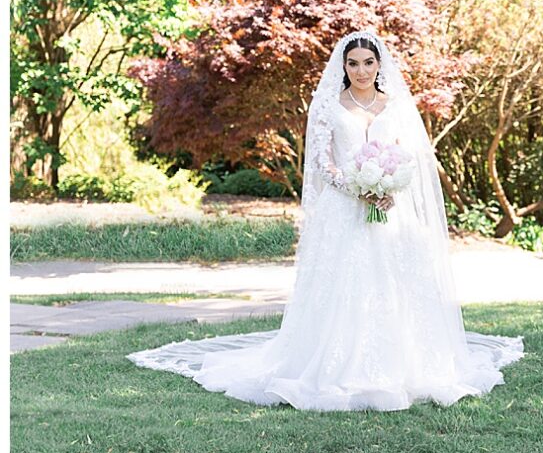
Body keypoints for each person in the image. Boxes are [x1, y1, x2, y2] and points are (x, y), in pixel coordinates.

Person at [129, 31, 523, 411]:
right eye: (353, 63)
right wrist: (356, 187)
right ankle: (335, 364)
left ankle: (405, 364)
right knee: (344, 284)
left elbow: (408, 157)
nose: (361, 70)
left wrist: (390, 188)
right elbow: (321, 162)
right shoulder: (329, 105)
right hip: (344, 207)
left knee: (392, 282)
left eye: (369, 62)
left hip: (389, 210)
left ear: (379, 64)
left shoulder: (395, 105)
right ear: (344, 66)